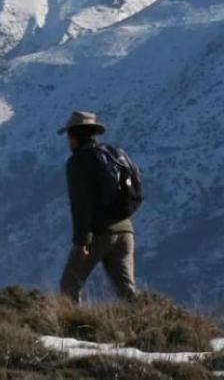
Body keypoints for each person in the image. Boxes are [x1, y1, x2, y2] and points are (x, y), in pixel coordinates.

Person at [58, 110, 139, 303]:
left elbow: (81, 205)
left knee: (69, 284)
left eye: (69, 136)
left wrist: (81, 242)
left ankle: (72, 329)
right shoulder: (114, 154)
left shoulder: (78, 162)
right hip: (126, 231)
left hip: (99, 232)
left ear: (74, 136)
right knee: (127, 290)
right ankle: (146, 326)